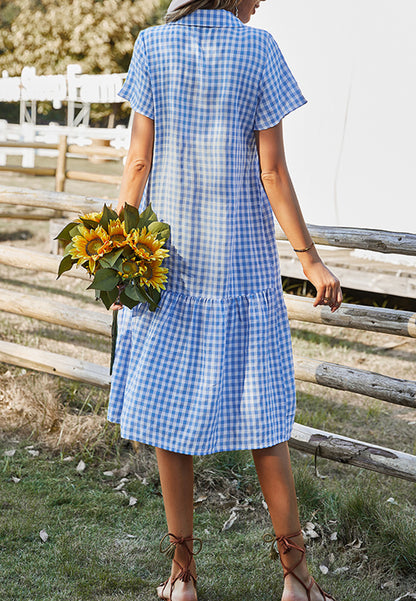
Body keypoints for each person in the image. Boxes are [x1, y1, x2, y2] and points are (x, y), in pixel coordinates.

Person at [107, 0, 342, 599]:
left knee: (170, 422)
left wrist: (117, 262)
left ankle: (182, 579)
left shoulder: (152, 46)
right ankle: (296, 579)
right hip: (241, 271)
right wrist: (309, 261)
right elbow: (274, 173)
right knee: (265, 422)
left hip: (170, 269)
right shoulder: (258, 48)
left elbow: (137, 161)